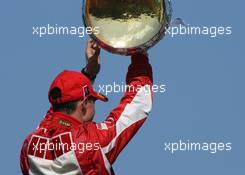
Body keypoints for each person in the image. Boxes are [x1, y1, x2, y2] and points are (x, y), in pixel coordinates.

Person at [20, 39, 153, 175]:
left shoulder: (30, 145)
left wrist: (89, 73)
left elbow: (55, 114)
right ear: (83, 105)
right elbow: (138, 101)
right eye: (93, 100)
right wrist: (139, 53)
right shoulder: (92, 143)